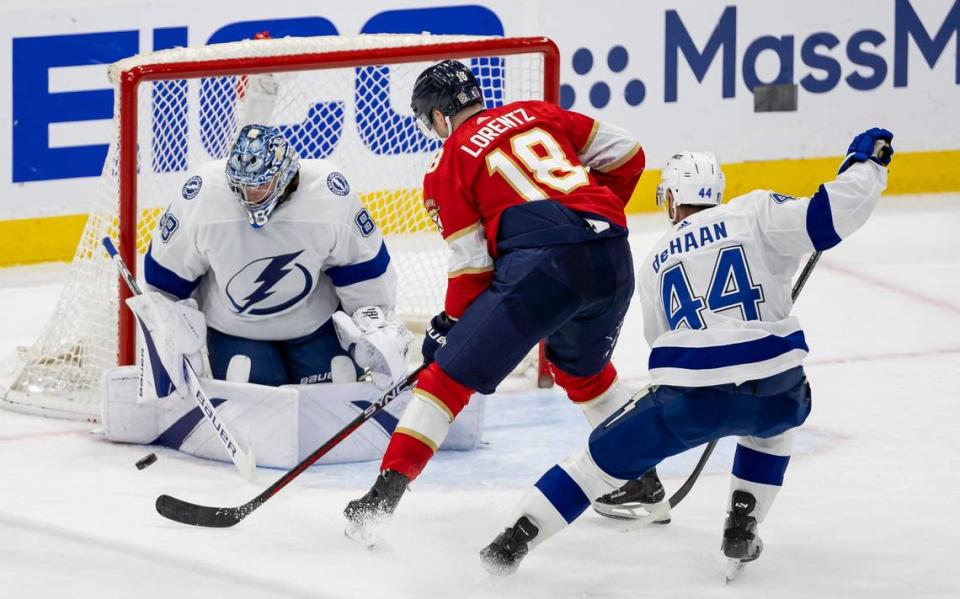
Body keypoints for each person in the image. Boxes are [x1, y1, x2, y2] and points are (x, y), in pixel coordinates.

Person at [478, 128, 894, 579]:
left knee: (593, 464)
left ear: (673, 200)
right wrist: (866, 164)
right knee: (773, 426)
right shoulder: (754, 211)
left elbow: (663, 343)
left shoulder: (657, 259)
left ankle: (515, 537)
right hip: (778, 389)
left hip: (690, 400)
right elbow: (830, 215)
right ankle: (742, 521)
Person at [342, 59, 650, 543]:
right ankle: (641, 482)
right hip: (612, 254)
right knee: (582, 371)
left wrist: (450, 325)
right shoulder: (538, 112)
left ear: (441, 117)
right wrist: (592, 214)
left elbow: (472, 269)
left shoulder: (449, 161)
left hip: (546, 268)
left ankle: (380, 502)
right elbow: (629, 154)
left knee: (445, 378)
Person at [139, 123, 411, 393]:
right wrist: (171, 335)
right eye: (242, 186)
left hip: (315, 325)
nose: (249, 196)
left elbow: (361, 268)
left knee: (338, 385)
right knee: (248, 393)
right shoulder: (202, 197)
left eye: (260, 186)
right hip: (236, 330)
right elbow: (165, 279)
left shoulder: (327, 194)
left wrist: (373, 325)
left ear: (284, 176)